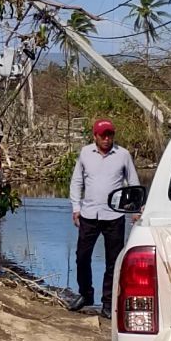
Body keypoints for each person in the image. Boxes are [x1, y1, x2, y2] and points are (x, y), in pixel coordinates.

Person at [68, 119, 139, 318]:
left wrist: (135, 209)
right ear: (95, 136)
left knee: (113, 261)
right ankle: (85, 294)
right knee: (82, 257)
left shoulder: (123, 155)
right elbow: (76, 182)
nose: (107, 139)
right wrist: (76, 207)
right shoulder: (85, 153)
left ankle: (108, 302)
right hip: (89, 213)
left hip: (114, 215)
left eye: (110, 135)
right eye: (103, 135)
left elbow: (132, 183)